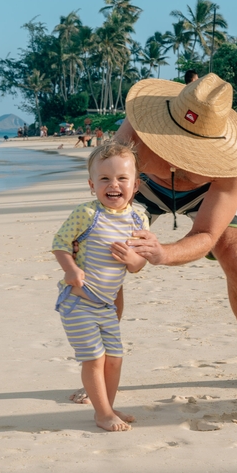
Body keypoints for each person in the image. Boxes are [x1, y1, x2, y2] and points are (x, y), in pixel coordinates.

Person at [70, 74, 237, 402]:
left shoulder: (235, 161)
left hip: (205, 193)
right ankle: (100, 368)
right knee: (105, 256)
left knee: (236, 253)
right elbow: (108, 186)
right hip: (142, 185)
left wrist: (164, 253)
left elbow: (206, 233)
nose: (178, 156)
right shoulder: (135, 130)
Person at [52, 142, 149, 431]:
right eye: (104, 179)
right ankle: (102, 413)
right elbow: (60, 244)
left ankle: (107, 405)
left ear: (136, 184)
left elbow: (138, 264)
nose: (113, 185)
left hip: (106, 305)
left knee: (115, 360)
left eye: (122, 178)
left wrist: (134, 258)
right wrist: (71, 269)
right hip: (78, 301)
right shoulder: (86, 213)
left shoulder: (138, 218)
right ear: (92, 184)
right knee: (94, 359)